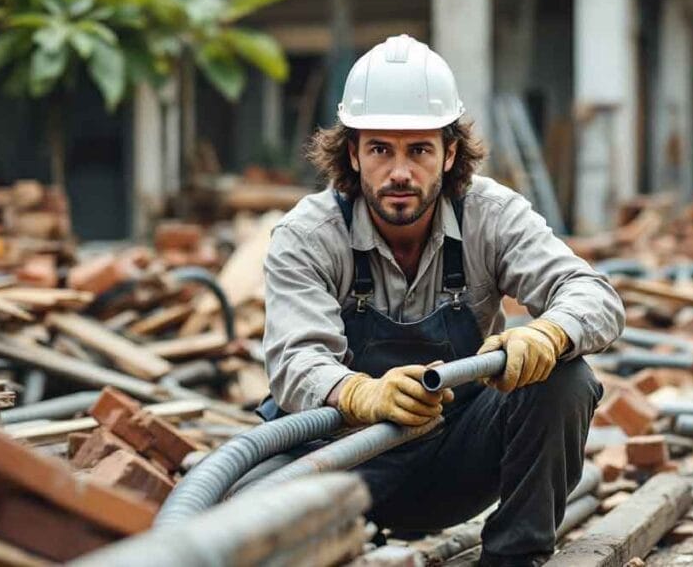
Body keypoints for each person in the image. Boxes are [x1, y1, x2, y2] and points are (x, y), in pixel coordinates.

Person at [259, 34, 625, 566]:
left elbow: (595, 295)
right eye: (381, 149)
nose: (400, 172)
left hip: (456, 461)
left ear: (450, 152)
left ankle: (514, 558)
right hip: (343, 465)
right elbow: (293, 362)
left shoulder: (492, 214)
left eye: (420, 150)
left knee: (566, 378)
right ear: (354, 154)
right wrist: (362, 395)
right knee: (238, 512)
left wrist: (550, 333)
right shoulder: (307, 235)